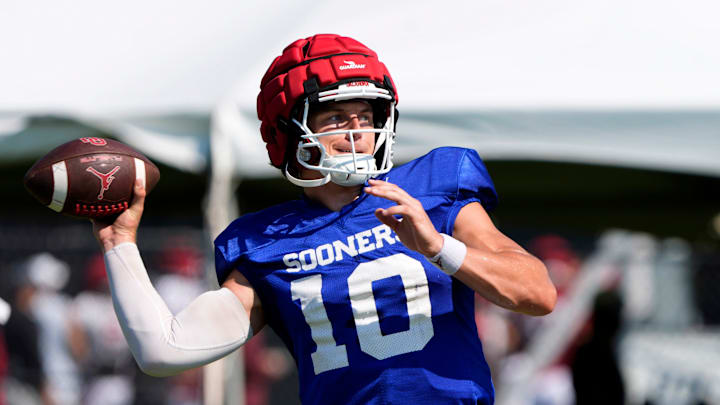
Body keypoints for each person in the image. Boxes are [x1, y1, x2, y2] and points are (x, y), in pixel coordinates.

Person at [92, 34, 557, 405]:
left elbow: (536, 293)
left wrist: (437, 246)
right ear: (288, 132)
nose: (358, 131)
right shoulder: (265, 242)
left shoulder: (431, 188)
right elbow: (166, 350)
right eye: (335, 117)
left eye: (366, 114)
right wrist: (120, 242)